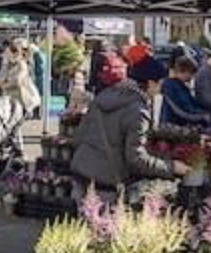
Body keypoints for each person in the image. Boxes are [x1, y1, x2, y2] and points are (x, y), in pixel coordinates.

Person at [70, 54, 179, 200]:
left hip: (80, 172)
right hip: (105, 182)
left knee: (79, 222)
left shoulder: (105, 94)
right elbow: (136, 158)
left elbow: (79, 136)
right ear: (151, 82)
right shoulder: (138, 111)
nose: (160, 89)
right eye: (160, 83)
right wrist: (171, 167)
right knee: (103, 222)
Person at [159, 55, 210, 126]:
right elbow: (183, 109)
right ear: (184, 71)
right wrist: (202, 116)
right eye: (191, 73)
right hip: (174, 126)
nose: (192, 77)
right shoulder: (172, 87)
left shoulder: (178, 85)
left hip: (177, 125)